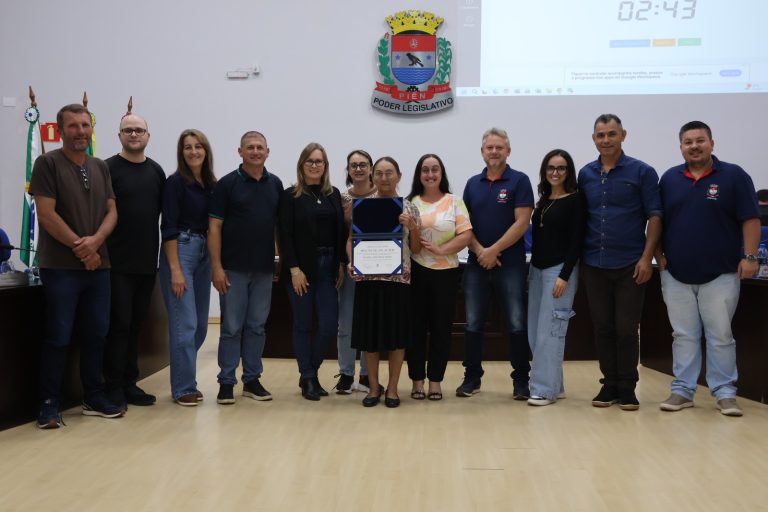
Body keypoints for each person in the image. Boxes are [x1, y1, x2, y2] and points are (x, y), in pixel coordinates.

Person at [657, 121, 760, 417]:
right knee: (683, 335)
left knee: (720, 336)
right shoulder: (670, 178)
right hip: (676, 274)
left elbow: (751, 218)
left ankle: (725, 393)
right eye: (688, 142)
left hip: (721, 273)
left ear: (712, 143)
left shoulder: (734, 175)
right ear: (681, 147)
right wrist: (658, 255)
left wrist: (750, 257)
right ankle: (683, 391)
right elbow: (658, 220)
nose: (694, 146)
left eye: (700, 140)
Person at [31, 103, 123, 428]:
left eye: (85, 125)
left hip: (99, 266)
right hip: (60, 268)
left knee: (97, 334)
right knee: (58, 336)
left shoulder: (100, 166)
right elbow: (46, 215)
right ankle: (48, 403)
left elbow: (112, 211)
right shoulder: (47, 163)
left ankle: (93, 396)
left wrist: (96, 241)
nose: (80, 131)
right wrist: (82, 248)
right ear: (60, 130)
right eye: (73, 126)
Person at [578, 114, 662, 410]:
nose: (606, 140)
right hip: (593, 263)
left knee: (627, 328)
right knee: (602, 327)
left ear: (623, 135)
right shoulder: (585, 174)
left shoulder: (642, 172)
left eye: (611, 134)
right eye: (601, 135)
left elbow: (655, 216)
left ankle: (627, 387)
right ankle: (609, 384)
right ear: (594, 139)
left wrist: (647, 258)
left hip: (630, 264)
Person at [457, 127, 534, 400]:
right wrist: (481, 251)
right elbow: (463, 225)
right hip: (476, 264)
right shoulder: (472, 184)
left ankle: (521, 381)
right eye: (489, 147)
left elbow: (522, 223)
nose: (494, 151)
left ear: (508, 151)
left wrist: (493, 251)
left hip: (511, 265)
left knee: (516, 322)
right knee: (473, 323)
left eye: (499, 147)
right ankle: (472, 378)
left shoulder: (520, 181)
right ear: (482, 152)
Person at [209, 131, 283, 405]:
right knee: (231, 328)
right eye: (249, 147)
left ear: (267, 152)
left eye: (259, 147)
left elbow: (277, 227)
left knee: (257, 327)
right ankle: (226, 382)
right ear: (240, 152)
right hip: (233, 269)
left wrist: (279, 260)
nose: (255, 151)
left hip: (263, 269)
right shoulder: (227, 184)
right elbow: (214, 227)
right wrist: (217, 267)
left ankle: (252, 380)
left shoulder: (275, 184)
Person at [104, 113, 166, 409]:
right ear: (119, 136)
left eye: (139, 130)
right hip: (115, 264)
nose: (133, 134)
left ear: (147, 136)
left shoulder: (156, 171)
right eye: (127, 130)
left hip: (146, 263)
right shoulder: (107, 169)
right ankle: (113, 385)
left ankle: (130, 383)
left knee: (135, 326)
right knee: (118, 325)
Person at [351, 156, 421, 408]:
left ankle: (392, 389)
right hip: (368, 280)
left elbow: (416, 249)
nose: (384, 178)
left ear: (399, 176)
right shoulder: (362, 206)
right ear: (373, 176)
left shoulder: (409, 208)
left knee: (396, 338)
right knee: (369, 339)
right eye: (379, 173)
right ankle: (373, 388)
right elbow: (352, 240)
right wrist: (351, 262)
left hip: (398, 281)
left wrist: (412, 227)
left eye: (389, 173)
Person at [279, 143, 347, 401]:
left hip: (329, 267)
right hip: (301, 269)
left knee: (329, 324)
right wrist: (294, 269)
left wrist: (341, 263)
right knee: (303, 324)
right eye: (310, 161)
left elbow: (340, 232)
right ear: (302, 165)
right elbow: (285, 234)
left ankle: (310, 371)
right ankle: (308, 377)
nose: (315, 165)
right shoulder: (290, 196)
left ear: (325, 166)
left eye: (319, 161)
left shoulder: (333, 194)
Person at [406, 154, 472, 401]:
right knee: (416, 329)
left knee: (441, 329)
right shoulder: (410, 203)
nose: (430, 174)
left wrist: (441, 250)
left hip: (447, 273)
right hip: (416, 272)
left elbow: (466, 235)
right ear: (419, 174)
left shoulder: (454, 201)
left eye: (435, 169)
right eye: (425, 170)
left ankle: (435, 381)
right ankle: (417, 380)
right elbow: (408, 241)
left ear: (441, 173)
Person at [159, 129, 216, 406]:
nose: (193, 151)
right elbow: (168, 227)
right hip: (181, 249)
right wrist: (175, 270)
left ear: (206, 150)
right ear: (181, 153)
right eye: (187, 147)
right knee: (186, 323)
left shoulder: (212, 184)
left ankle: (184, 379)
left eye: (198, 146)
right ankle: (183, 387)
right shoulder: (174, 183)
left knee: (201, 326)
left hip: (206, 252)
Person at [527, 149, 584, 406]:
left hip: (559, 273)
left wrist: (565, 275)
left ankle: (543, 390)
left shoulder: (576, 200)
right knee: (534, 333)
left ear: (568, 172)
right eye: (551, 167)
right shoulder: (544, 200)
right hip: (536, 271)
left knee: (550, 333)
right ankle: (555, 385)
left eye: (561, 168)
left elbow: (576, 241)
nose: (555, 172)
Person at [333, 150, 375, 394]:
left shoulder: (383, 196)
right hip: (349, 269)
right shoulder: (341, 199)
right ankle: (346, 374)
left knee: (370, 323)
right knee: (346, 323)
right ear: (348, 170)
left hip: (377, 271)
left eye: (363, 164)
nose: (358, 169)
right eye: (354, 165)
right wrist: (342, 264)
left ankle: (368, 375)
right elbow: (338, 235)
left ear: (370, 168)